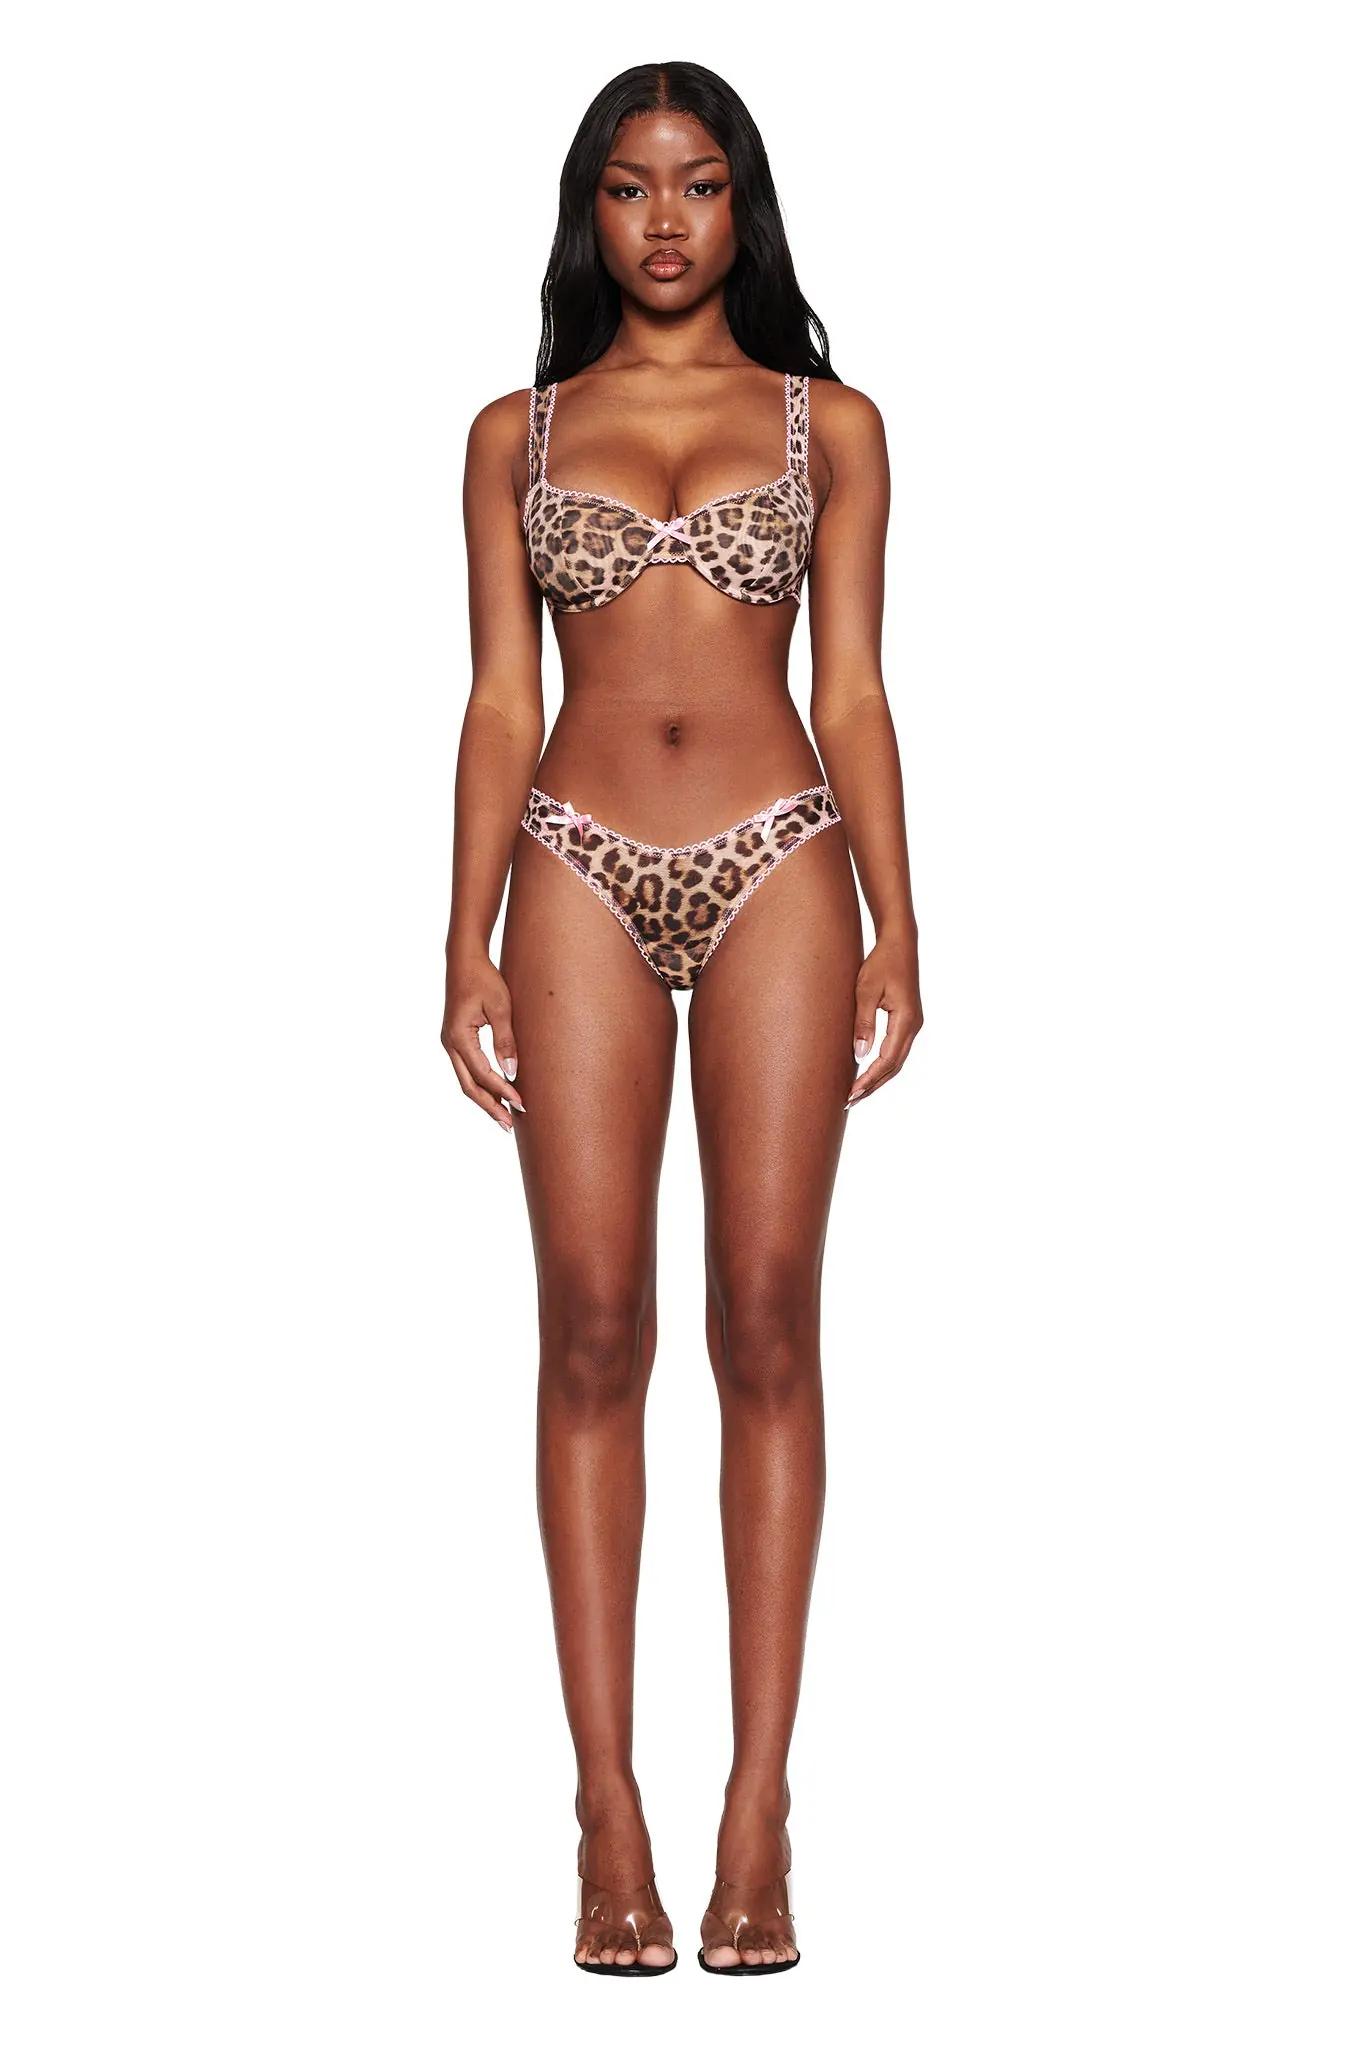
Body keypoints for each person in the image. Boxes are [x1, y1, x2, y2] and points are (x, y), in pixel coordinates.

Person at [442, 60, 922, 1976]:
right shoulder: (514, 433)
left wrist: (898, 917)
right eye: (632, 186)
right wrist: (462, 935)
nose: (664, 220)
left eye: (700, 184)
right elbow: (499, 695)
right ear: (591, 208)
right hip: (570, 855)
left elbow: (855, 686)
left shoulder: (828, 425)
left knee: (766, 1314)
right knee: (589, 1324)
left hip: (779, 854)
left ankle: (756, 1811)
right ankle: (607, 1812)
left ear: (744, 207)